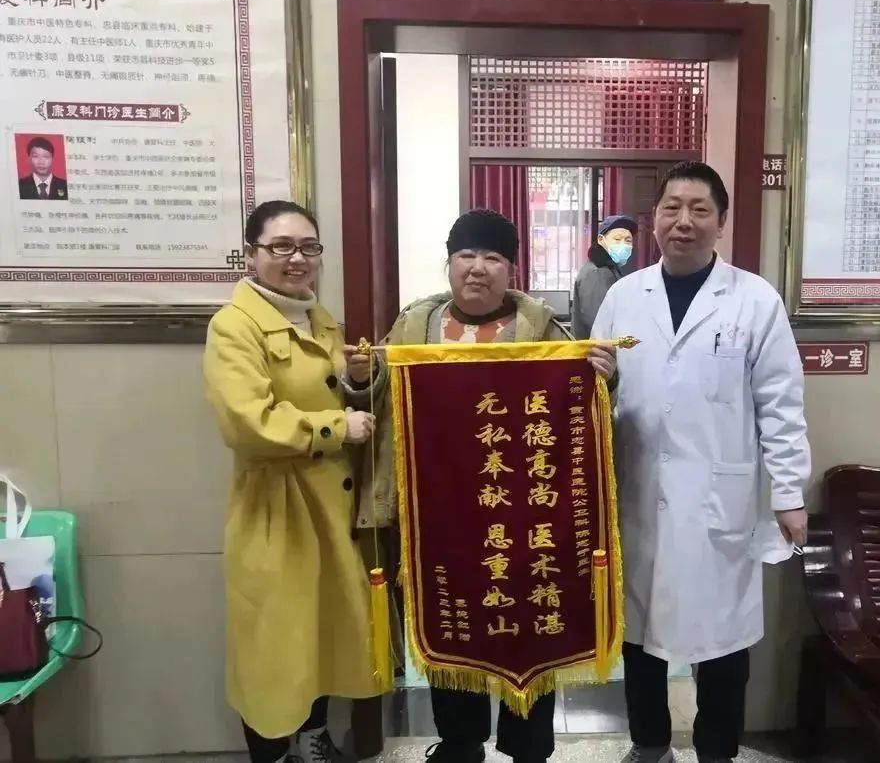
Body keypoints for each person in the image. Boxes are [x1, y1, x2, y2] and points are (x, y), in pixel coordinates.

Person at [345, 209, 616, 763]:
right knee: (451, 620)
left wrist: (604, 379)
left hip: (522, 513)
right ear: (448, 264)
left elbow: (581, 408)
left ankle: (529, 746)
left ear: (511, 270)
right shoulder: (414, 326)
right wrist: (358, 379)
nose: (477, 268)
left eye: (493, 257)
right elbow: (377, 399)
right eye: (465, 255)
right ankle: (460, 743)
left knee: (529, 623)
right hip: (438, 512)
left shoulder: (543, 328)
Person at [591, 162, 811, 763]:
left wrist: (789, 494)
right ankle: (649, 745)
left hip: (719, 499)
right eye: (672, 208)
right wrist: (598, 381)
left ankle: (717, 751)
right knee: (639, 636)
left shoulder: (755, 300)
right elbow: (593, 393)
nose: (683, 221)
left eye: (699, 210)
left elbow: (781, 403)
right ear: (654, 218)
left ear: (721, 222)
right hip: (638, 492)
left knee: (723, 644)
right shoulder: (623, 297)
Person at [203, 200, 388, 763]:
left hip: (332, 510)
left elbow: (328, 390)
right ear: (251, 254)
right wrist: (336, 426)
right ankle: (271, 754)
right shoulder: (234, 326)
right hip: (278, 511)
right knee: (274, 652)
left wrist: (358, 383)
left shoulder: (317, 315)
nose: (297, 259)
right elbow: (245, 422)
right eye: (281, 246)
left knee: (320, 640)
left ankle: (313, 741)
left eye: (309, 247)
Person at [572, 214, 637, 339]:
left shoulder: (610, 269)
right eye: (617, 239)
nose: (623, 244)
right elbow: (599, 322)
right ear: (601, 240)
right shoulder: (596, 273)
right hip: (598, 348)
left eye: (628, 241)